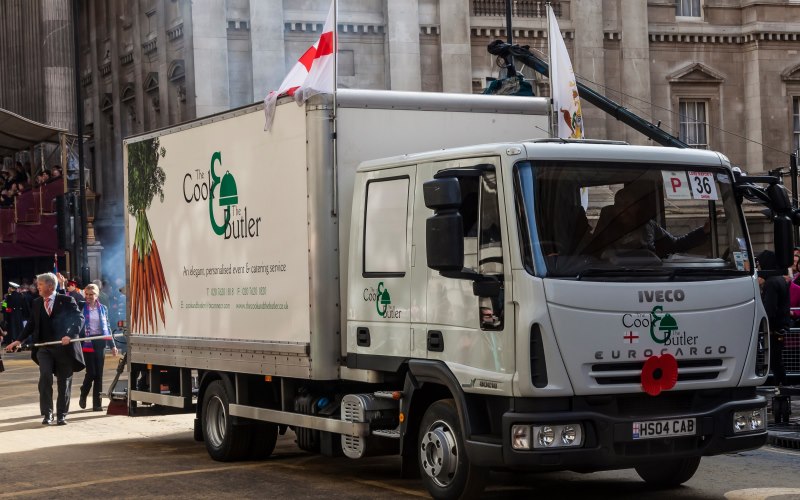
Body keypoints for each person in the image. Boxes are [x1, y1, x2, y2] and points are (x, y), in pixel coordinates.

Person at [5, 272, 85, 425]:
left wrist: (70, 334)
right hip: (44, 348)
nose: (37, 287)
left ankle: (61, 414)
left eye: (40, 285)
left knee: (64, 382)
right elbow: (31, 325)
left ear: (50, 286)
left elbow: (79, 318)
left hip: (64, 348)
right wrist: (18, 340)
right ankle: (47, 414)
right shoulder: (36, 303)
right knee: (45, 378)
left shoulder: (67, 300)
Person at [590, 182, 710, 258]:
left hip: (648, 278)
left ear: (637, 207)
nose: (623, 209)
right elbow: (593, 254)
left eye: (627, 204)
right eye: (619, 205)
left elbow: (676, 244)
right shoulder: (606, 229)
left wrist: (703, 231)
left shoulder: (649, 226)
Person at [79, 283, 118, 411]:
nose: (89, 297)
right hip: (87, 342)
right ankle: (83, 393)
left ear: (97, 295)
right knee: (91, 373)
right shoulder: (80, 306)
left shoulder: (103, 309)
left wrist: (112, 345)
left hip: (100, 342)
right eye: (87, 294)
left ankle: (97, 404)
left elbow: (107, 327)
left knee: (99, 375)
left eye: (92, 294)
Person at [757, 250, 789, 387]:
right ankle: (781, 388)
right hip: (779, 327)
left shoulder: (771, 283)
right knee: (776, 362)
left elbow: (769, 309)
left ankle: (781, 389)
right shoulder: (780, 279)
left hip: (773, 329)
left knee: (775, 362)